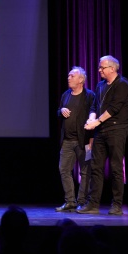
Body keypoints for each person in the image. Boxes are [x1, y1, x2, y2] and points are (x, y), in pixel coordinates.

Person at [77, 55, 128, 216]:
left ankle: (117, 205)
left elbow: (114, 109)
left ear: (112, 69)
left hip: (116, 130)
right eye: (100, 67)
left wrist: (97, 121)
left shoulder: (122, 84)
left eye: (102, 67)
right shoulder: (100, 85)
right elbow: (95, 105)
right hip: (101, 131)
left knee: (115, 169)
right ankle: (93, 204)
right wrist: (91, 118)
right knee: (96, 168)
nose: (99, 70)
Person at [55, 66, 96, 212]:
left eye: (72, 76)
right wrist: (61, 111)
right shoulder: (66, 95)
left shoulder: (89, 95)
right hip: (67, 141)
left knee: (85, 172)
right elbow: (59, 111)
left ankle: (82, 201)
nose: (69, 78)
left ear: (81, 80)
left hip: (84, 141)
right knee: (64, 170)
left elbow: (93, 115)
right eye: (68, 76)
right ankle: (70, 201)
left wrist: (91, 139)